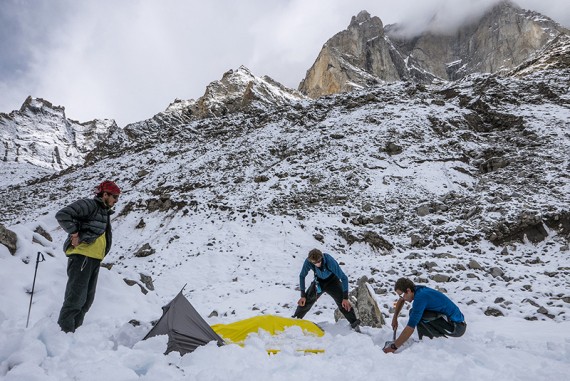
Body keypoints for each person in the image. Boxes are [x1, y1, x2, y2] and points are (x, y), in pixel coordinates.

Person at [55, 180, 121, 333]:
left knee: (86, 301)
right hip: (82, 257)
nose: (116, 201)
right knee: (75, 300)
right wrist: (74, 233)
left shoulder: (104, 212)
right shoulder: (90, 205)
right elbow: (62, 214)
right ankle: (61, 335)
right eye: (115, 197)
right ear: (105, 194)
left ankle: (74, 334)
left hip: (93, 259)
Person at [383, 277, 466, 353]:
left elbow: (410, 327)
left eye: (402, 295)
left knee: (416, 315)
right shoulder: (417, 290)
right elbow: (401, 300)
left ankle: (434, 342)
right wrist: (395, 318)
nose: (402, 298)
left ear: (408, 290)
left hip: (456, 327)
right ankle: (426, 340)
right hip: (451, 322)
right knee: (414, 312)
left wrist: (393, 347)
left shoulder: (420, 298)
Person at [293, 248, 360, 331]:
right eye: (315, 263)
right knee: (306, 301)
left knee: (343, 304)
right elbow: (302, 276)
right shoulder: (308, 262)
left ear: (322, 258)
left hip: (332, 281)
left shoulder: (329, 261)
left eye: (319, 261)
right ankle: (294, 322)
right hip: (319, 282)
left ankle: (355, 326)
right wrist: (302, 295)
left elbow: (344, 278)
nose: (317, 264)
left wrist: (345, 298)